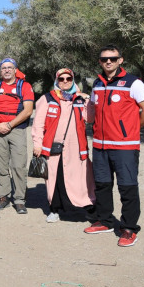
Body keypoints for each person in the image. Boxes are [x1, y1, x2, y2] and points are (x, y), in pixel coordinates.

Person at [84, 45, 144, 247]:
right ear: (100, 61)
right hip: (100, 145)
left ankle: (129, 228)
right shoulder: (97, 84)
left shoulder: (134, 83)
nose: (108, 62)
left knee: (127, 187)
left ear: (120, 60)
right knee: (103, 185)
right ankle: (105, 221)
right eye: (105, 59)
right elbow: (93, 113)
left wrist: (130, 130)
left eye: (113, 59)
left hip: (125, 146)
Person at [32, 68, 95, 223]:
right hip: (53, 148)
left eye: (68, 78)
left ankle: (84, 207)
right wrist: (37, 144)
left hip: (76, 147)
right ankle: (54, 210)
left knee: (79, 178)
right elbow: (38, 124)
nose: (65, 81)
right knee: (55, 179)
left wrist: (88, 99)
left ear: (73, 80)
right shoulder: (47, 99)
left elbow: (90, 118)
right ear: (57, 81)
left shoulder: (79, 99)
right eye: (62, 79)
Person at [0, 58, 34, 214]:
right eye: (4, 68)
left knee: (19, 166)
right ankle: (3, 197)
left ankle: (19, 199)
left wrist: (10, 124)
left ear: (15, 70)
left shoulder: (24, 86)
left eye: (9, 67)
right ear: (0, 71)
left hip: (17, 130)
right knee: (2, 166)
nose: (6, 70)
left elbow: (28, 111)